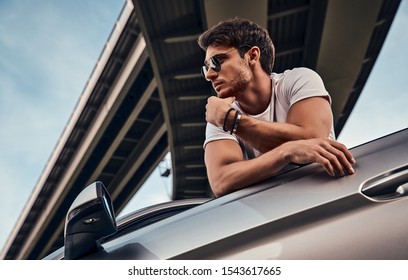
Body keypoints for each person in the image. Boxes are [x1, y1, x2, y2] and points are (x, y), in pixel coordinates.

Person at [197, 17, 356, 197]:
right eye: (206, 67)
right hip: (274, 213)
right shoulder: (218, 117)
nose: (209, 75)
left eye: (217, 61)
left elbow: (312, 138)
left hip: (328, 198)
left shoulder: (297, 80)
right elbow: (221, 181)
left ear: (252, 56)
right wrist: (285, 152)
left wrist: (232, 122)